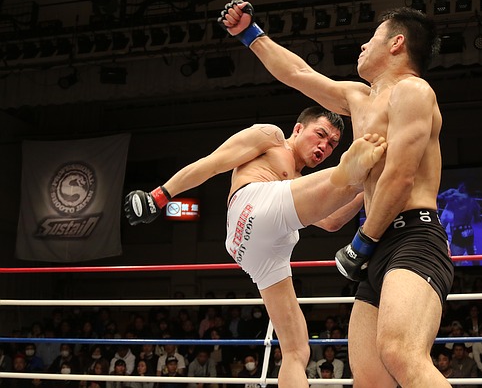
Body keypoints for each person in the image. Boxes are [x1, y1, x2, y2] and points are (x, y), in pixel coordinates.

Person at [219, 0, 454, 388]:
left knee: (402, 354)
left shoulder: (413, 91)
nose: (363, 45)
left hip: (413, 236)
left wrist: (363, 241)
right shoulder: (358, 99)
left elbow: (400, 178)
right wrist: (250, 35)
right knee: (370, 379)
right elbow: (297, 72)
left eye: (372, 38)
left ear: (396, 43)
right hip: (379, 243)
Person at [124, 106, 388, 388]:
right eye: (320, 134)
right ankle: (376, 161)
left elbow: (332, 220)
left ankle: (368, 171)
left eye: (333, 144)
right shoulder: (271, 138)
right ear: (298, 129)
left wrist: (368, 185)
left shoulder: (300, 185)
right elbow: (213, 163)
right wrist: (160, 196)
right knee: (354, 173)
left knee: (297, 349)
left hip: (260, 249)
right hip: (252, 207)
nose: (324, 146)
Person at [438, 182, 481, 265]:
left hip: (459, 230)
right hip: (469, 231)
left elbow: (440, 199)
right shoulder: (475, 202)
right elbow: (477, 220)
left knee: (455, 259)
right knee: (472, 255)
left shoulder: (456, 196)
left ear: (464, 187)